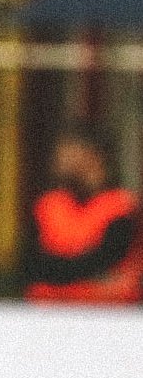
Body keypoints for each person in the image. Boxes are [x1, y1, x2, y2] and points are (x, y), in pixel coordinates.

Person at [24, 121, 142, 304]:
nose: (60, 158)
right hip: (48, 311)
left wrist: (57, 270)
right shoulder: (50, 204)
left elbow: (105, 260)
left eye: (69, 149)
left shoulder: (121, 206)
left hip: (109, 313)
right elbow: (31, 264)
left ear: (93, 155)